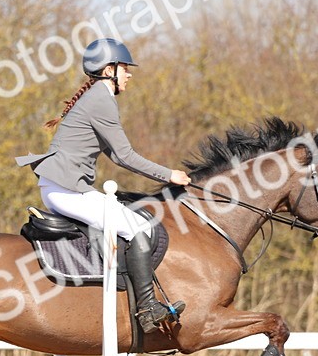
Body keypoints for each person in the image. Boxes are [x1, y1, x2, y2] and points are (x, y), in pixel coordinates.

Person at [16, 38, 192, 332]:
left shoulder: (98, 97)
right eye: (125, 68)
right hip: (66, 190)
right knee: (139, 227)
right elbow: (124, 155)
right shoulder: (101, 99)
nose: (129, 74)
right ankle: (147, 309)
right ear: (109, 69)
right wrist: (168, 175)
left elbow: (112, 152)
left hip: (63, 186)